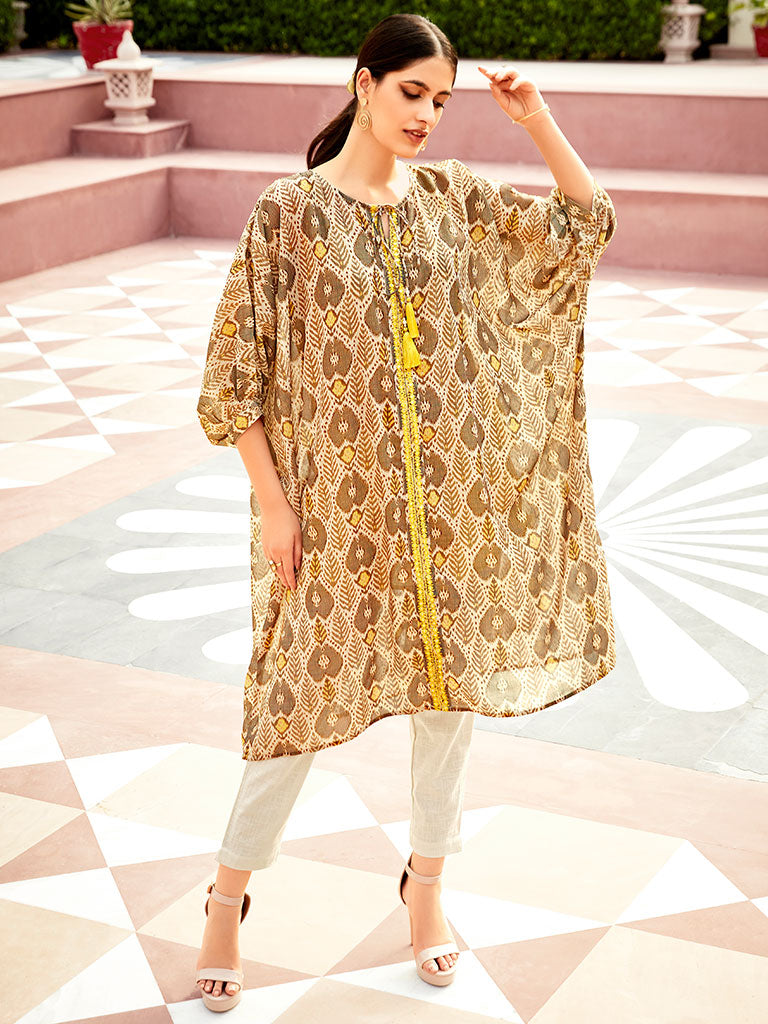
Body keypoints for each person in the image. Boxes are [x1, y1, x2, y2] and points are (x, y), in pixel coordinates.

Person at [194, 11, 618, 1013]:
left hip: (452, 513)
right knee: (294, 705)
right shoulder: (289, 213)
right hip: (334, 520)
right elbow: (233, 379)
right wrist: (276, 509)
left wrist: (536, 119)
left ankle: (425, 888)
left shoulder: (453, 198)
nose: (426, 114)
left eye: (441, 100)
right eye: (411, 92)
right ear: (364, 83)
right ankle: (226, 898)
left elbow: (584, 224)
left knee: (446, 705)